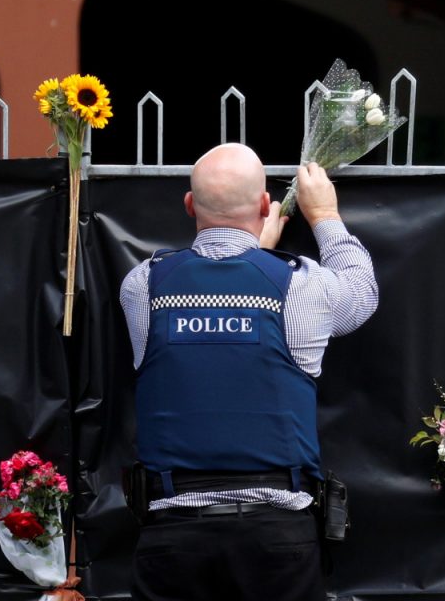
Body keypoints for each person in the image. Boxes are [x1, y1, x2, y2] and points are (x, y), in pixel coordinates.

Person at [119, 143, 378, 601]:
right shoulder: (302, 287)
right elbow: (360, 293)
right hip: (277, 542)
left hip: (173, 541)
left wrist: (254, 255)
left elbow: (215, 306)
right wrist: (325, 216)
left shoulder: (143, 285)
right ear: (264, 204)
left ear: (188, 205)